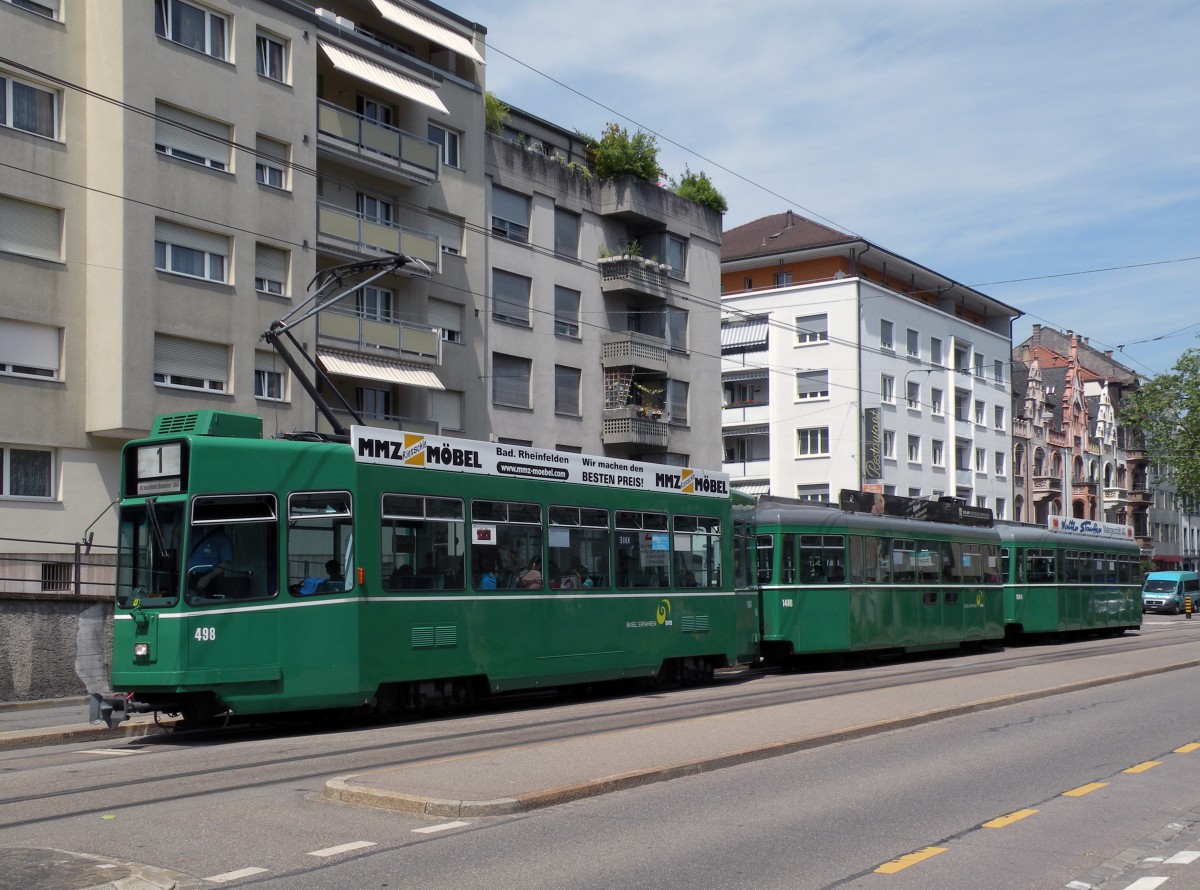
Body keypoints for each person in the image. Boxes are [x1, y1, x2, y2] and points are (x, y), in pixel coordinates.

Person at [187, 524, 232, 593]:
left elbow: (225, 563)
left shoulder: (221, 537)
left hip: (209, 578)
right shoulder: (192, 531)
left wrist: (207, 578)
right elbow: (176, 532)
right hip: (188, 576)